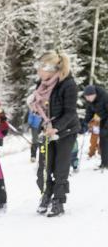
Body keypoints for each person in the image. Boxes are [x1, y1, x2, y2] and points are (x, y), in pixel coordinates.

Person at [30, 50, 79, 217]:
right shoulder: (41, 84)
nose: (38, 71)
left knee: (60, 168)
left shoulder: (68, 84)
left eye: (40, 67)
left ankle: (58, 200)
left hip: (65, 131)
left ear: (50, 68)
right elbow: (41, 107)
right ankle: (46, 194)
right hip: (46, 131)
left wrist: (55, 127)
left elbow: (71, 112)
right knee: (43, 168)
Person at [82, 84, 108, 168]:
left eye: (90, 96)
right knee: (103, 141)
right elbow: (89, 112)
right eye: (87, 97)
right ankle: (104, 163)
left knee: (105, 138)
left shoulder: (104, 97)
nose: (88, 99)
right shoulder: (90, 101)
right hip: (103, 118)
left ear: (95, 94)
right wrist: (85, 123)